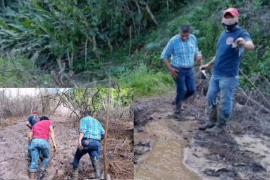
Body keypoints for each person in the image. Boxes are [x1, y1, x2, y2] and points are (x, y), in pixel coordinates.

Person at [198, 8, 255, 132]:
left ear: (236, 18)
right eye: (227, 16)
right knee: (210, 97)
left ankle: (221, 126)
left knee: (225, 102)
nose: (229, 19)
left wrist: (243, 43)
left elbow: (251, 45)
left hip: (229, 76)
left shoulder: (241, 33)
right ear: (223, 19)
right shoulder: (223, 34)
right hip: (216, 74)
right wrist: (208, 66)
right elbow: (219, 55)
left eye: (231, 16)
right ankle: (211, 121)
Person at [161, 25, 203, 120]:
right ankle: (177, 111)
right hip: (177, 69)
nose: (184, 38)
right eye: (182, 36)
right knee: (182, 89)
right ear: (179, 33)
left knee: (192, 90)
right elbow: (164, 56)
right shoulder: (173, 41)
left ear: (189, 33)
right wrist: (171, 69)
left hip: (190, 69)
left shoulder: (193, 38)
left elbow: (196, 51)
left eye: (186, 36)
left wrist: (198, 57)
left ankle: (177, 100)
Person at [72, 111, 105, 180]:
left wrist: (79, 141)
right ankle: (98, 176)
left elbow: (83, 131)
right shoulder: (97, 122)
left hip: (87, 142)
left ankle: (74, 177)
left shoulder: (84, 119)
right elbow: (103, 133)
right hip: (96, 143)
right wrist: (98, 141)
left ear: (85, 114)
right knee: (95, 160)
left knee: (76, 158)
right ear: (91, 115)